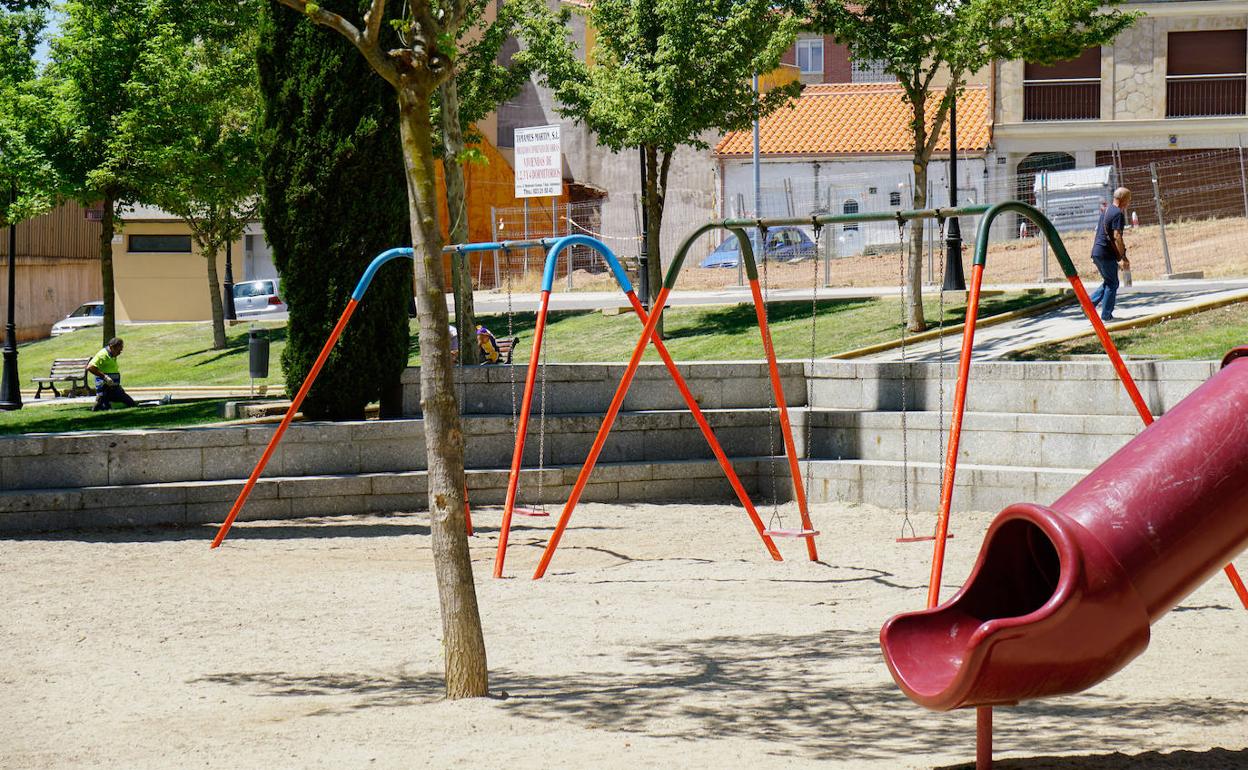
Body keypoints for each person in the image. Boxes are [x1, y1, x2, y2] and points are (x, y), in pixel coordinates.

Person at [1089, 187, 1132, 321]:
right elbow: (1117, 236)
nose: (1129, 203)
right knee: (1112, 283)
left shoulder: (1106, 210)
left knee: (1109, 281)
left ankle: (1088, 305)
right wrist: (1123, 257)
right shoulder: (1118, 214)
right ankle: (1106, 315)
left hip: (1097, 252)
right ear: (1123, 200)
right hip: (1105, 253)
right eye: (1129, 200)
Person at [87, 337, 138, 411]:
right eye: (118, 350)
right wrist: (105, 377)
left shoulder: (112, 355)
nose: (120, 352)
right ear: (112, 347)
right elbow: (90, 367)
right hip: (105, 387)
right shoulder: (103, 355)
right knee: (106, 406)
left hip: (114, 387)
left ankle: (104, 403)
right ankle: (100, 401)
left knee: (130, 403)